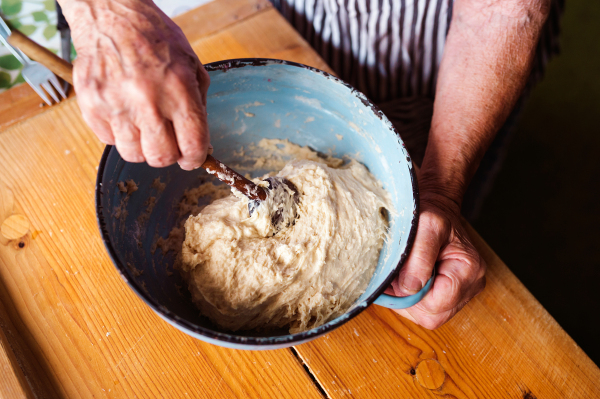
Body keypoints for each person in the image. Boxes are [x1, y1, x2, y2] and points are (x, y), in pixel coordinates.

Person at [56, 0, 561, 329]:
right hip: (289, 21)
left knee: (461, 202)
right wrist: (106, 15)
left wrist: (443, 190)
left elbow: (502, 12)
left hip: (452, 64)